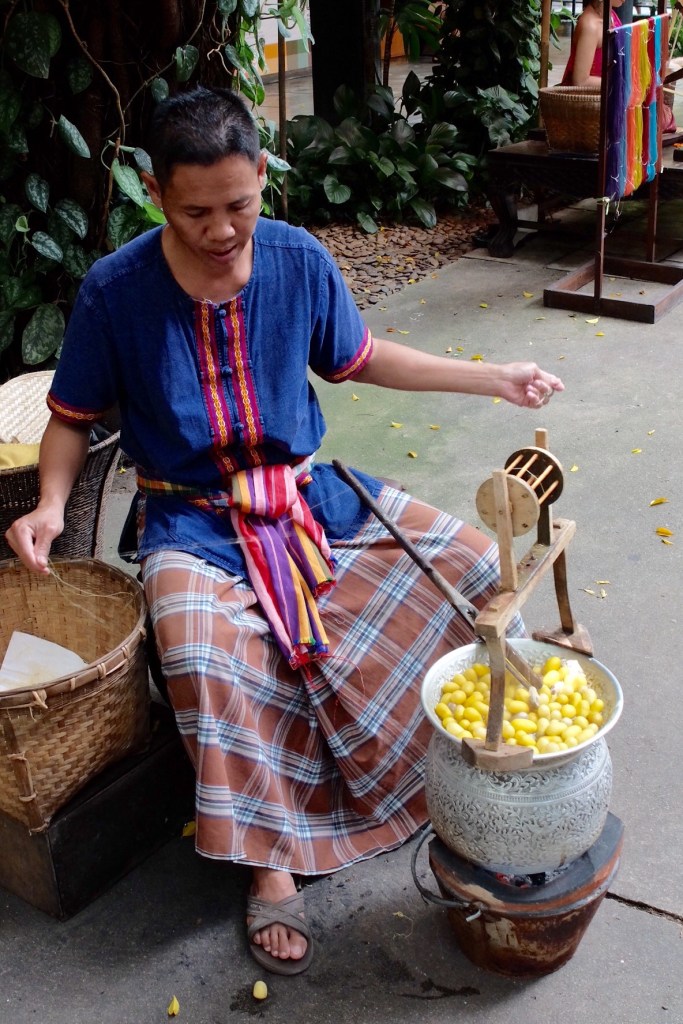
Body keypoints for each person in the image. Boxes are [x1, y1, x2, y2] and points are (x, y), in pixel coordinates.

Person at [5, 86, 563, 976]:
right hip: (189, 518)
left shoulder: (299, 261)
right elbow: (69, 414)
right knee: (197, 647)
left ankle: (455, 772)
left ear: (263, 176)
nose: (222, 229)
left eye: (240, 203)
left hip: (310, 501)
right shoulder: (115, 291)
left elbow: (359, 357)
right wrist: (47, 503)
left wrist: (491, 376)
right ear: (157, 193)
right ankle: (269, 868)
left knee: (464, 567)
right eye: (196, 212)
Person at [561, 0, 677, 131]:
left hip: (611, 94)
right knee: (655, 120)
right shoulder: (590, 26)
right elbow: (580, 81)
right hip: (592, 104)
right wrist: (624, 84)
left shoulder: (610, 15)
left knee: (661, 114)